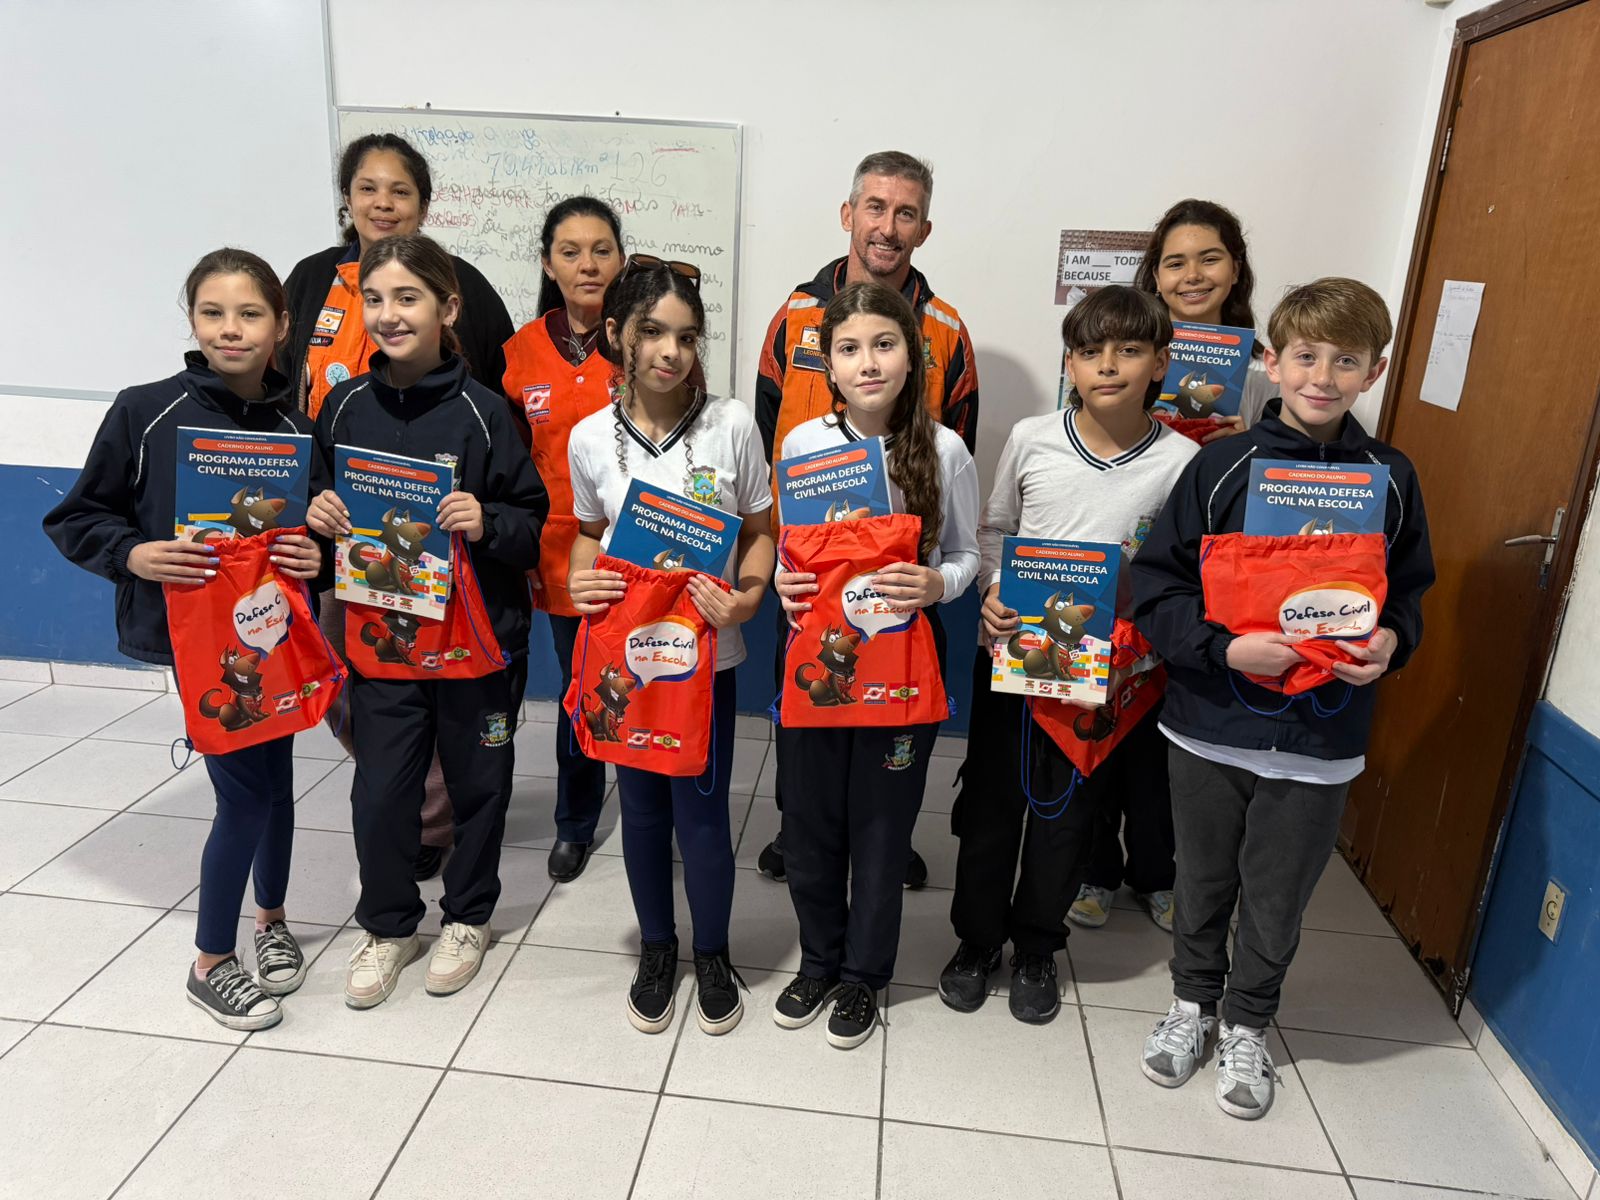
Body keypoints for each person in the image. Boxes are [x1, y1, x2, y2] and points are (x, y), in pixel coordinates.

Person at [1131, 277, 1433, 1119]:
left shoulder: (1391, 477)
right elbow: (1157, 589)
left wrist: (1392, 641)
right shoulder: (1221, 465)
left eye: (1346, 361)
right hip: (1211, 724)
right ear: (1270, 360)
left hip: (1320, 735)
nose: (1323, 377)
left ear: (1374, 371)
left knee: (1278, 891)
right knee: (1202, 877)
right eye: (1305, 356)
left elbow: (1409, 592)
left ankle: (1247, 1023)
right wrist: (1225, 647)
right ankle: (1192, 1003)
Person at [43, 248, 321, 1031]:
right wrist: (133, 553)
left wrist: (316, 556)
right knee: (245, 797)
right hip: (196, 639)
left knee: (277, 781)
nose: (231, 329)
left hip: (270, 634)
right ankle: (210, 962)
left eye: (250, 314)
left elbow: (314, 535)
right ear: (192, 319)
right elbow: (76, 516)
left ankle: (271, 920)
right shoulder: (146, 411)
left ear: (281, 326)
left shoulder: (296, 427)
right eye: (213, 313)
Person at [939, 287, 1196, 1024]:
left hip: (1100, 675)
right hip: (1012, 656)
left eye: (1128, 351)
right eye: (1089, 352)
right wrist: (991, 589)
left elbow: (1180, 570)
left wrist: (1137, 640)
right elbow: (995, 530)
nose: (1107, 366)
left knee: (1068, 817)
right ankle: (977, 941)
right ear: (1069, 365)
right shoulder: (1033, 438)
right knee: (990, 808)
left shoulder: (1181, 461)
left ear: (1160, 363)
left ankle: (1037, 946)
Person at [306, 234, 547, 1010]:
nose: (388, 315)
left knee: (480, 788)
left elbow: (532, 524)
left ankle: (468, 918)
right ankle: (388, 926)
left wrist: (487, 520)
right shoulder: (344, 405)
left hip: (478, 646)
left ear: (447, 308)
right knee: (381, 792)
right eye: (374, 299)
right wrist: (319, 512)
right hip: (384, 642)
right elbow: (313, 503)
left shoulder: (485, 413)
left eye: (407, 298)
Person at [288, 133, 519, 882]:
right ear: (346, 197)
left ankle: (435, 823)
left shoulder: (467, 290)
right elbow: (289, 391)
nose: (382, 202)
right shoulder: (313, 283)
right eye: (367, 187)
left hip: (444, 557)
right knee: (360, 689)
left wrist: (478, 508)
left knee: (449, 695)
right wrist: (314, 504)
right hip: (352, 544)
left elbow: (495, 404)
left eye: (400, 190)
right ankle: (403, 806)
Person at [755, 150, 980, 887]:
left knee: (891, 720)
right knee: (807, 710)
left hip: (899, 589)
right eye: (875, 207)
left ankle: (886, 838)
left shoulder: (946, 330)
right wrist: (779, 559)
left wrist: (931, 570)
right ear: (849, 214)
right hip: (810, 577)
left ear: (924, 228)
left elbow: (956, 453)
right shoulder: (795, 315)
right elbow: (765, 434)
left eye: (906, 212)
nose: (888, 226)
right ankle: (798, 828)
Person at [567, 258, 774, 1037]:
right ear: (616, 333)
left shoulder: (732, 424)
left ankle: (713, 952)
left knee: (704, 815)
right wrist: (579, 581)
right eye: (652, 332)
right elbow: (588, 534)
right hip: (627, 662)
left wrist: (747, 596)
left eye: (687, 337)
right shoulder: (590, 438)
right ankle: (658, 948)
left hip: (706, 662)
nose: (670, 352)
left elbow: (761, 531)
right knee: (643, 813)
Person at [771, 281, 979, 1048]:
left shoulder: (945, 450)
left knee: (883, 831)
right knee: (810, 825)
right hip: (821, 661)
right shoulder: (804, 445)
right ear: (827, 364)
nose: (868, 363)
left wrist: (936, 584)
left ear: (913, 357)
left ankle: (863, 976)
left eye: (884, 345)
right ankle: (819, 961)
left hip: (904, 663)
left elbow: (966, 555)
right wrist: (786, 584)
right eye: (850, 348)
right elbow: (794, 555)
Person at [1067, 198, 1274, 933]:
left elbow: (1285, 487)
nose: (1192, 275)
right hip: (1112, 583)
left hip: (1205, 585)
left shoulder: (1264, 370)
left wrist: (1246, 443)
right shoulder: (1123, 347)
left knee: (1166, 745)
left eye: (1209, 258)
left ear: (1235, 269)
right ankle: (1095, 867)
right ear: (1154, 274)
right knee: (1098, 728)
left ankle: (1158, 873)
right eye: (1174, 261)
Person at [502, 196, 627, 883]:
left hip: (644, 551)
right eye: (571, 252)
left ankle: (653, 806)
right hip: (562, 555)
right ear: (548, 264)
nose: (587, 264)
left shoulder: (643, 341)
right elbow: (510, 462)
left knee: (644, 678)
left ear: (621, 259)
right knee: (583, 685)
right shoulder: (520, 351)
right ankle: (575, 823)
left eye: (602, 250)